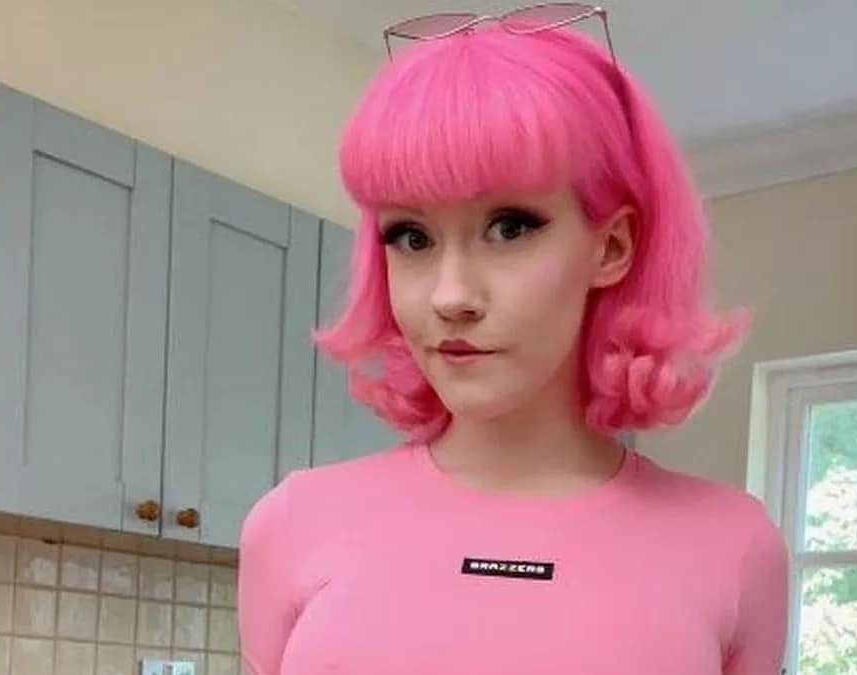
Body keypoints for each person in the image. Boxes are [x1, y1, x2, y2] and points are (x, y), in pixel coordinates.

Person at [238, 6, 789, 674]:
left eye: (510, 228)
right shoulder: (291, 526)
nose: (450, 295)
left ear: (612, 246)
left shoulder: (734, 548)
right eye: (411, 236)